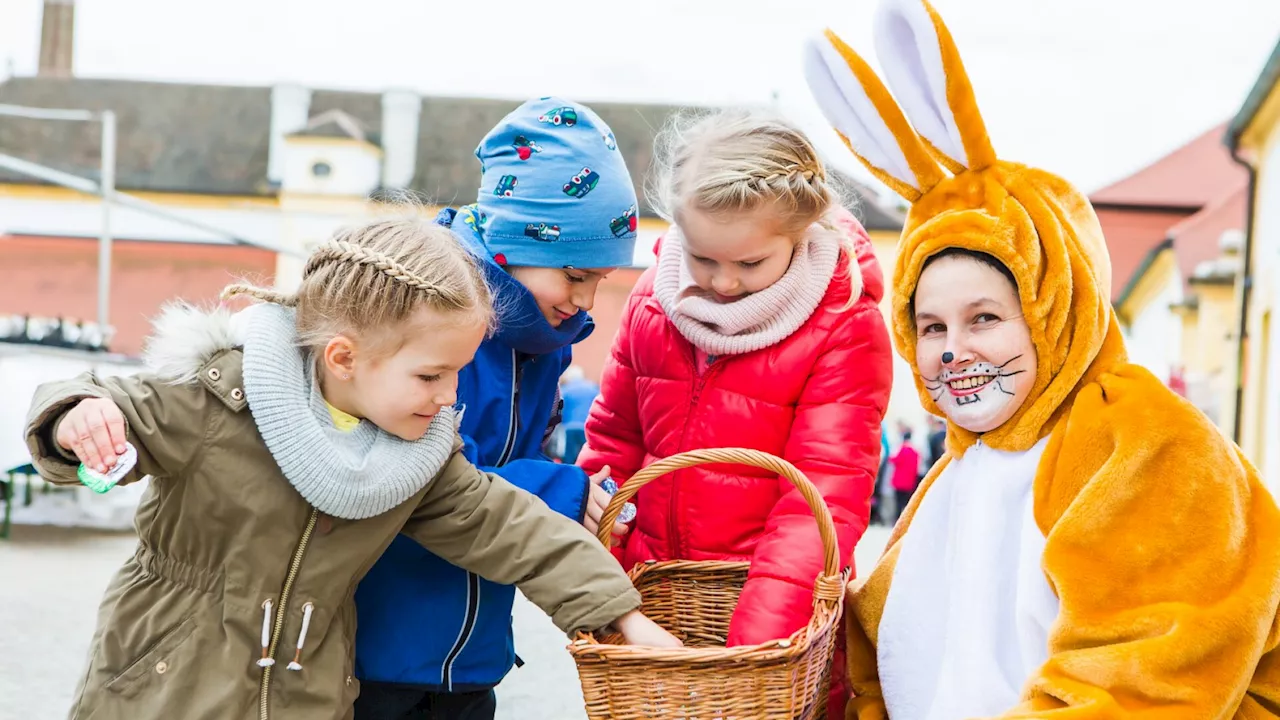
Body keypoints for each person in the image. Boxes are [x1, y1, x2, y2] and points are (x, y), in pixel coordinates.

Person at [804, 0, 1280, 716]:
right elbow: (883, 652)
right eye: (930, 327)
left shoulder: (1145, 442)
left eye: (986, 317)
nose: (954, 349)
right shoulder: (954, 474)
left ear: (1055, 310)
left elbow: (1148, 669)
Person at [25, 216, 678, 720]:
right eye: (431, 374)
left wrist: (622, 616)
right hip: (163, 688)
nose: (451, 396)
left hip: (305, 697)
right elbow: (108, 401)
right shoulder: (219, 402)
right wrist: (76, 416)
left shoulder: (416, 457)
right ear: (344, 358)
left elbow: (511, 528)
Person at [577, 108, 893, 717]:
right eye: (703, 259)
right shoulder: (653, 300)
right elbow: (614, 440)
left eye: (749, 264)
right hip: (658, 616)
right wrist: (609, 590)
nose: (721, 284)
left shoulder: (842, 323)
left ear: (800, 232)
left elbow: (820, 499)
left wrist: (752, 658)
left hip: (776, 636)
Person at [352, 99, 640, 720]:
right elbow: (416, 482)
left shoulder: (542, 346)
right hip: (376, 655)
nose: (587, 301)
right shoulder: (432, 322)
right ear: (513, 239)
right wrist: (559, 494)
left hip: (472, 659)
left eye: (600, 282)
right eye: (575, 275)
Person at [890, 430, 920, 522]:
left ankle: (897, 519)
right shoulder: (915, 452)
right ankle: (905, 521)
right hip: (909, 482)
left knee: (898, 502)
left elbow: (894, 460)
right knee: (906, 502)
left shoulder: (902, 449)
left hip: (899, 481)